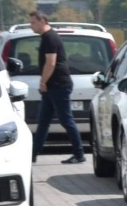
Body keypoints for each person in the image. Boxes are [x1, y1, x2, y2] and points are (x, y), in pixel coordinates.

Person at [28, 11, 85, 163]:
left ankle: (79, 154)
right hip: (51, 87)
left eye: (33, 22)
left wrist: (43, 82)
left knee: (66, 120)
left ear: (41, 21)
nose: (31, 25)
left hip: (58, 85)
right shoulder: (46, 37)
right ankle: (32, 154)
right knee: (43, 121)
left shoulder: (50, 38)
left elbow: (51, 62)